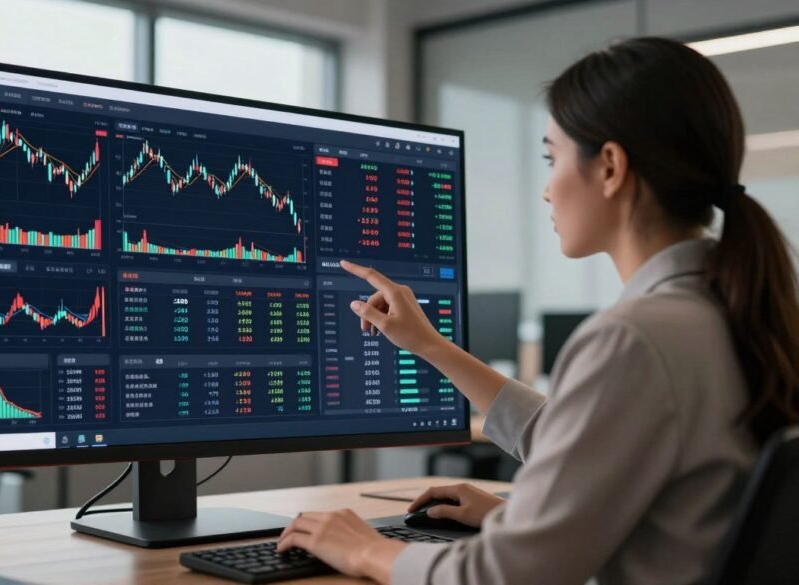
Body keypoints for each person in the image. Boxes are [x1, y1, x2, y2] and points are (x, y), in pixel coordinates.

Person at [276, 37, 799, 585]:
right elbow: (602, 454)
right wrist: (430, 346)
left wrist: (365, 549)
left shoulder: (636, 338)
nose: (547, 190)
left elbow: (504, 576)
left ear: (611, 167)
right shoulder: (723, 313)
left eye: (552, 159)